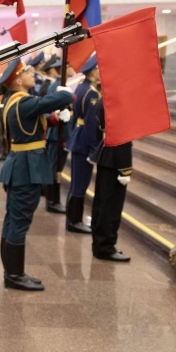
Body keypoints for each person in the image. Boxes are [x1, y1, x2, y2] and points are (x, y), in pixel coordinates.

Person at [0, 57, 74, 291]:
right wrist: (63, 90)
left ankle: (12, 272)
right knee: (19, 221)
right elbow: (65, 98)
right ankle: (14, 275)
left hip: (20, 164)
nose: (34, 75)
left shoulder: (13, 100)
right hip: (25, 168)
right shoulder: (24, 102)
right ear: (18, 80)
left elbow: (28, 127)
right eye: (29, 72)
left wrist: (52, 120)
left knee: (13, 219)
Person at [89, 97, 132, 262]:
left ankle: (99, 244)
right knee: (111, 207)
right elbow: (123, 135)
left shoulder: (104, 98)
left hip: (106, 152)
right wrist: (125, 168)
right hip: (115, 158)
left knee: (101, 203)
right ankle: (106, 246)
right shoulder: (118, 102)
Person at [66, 55, 101, 234]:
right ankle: (74, 221)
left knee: (76, 183)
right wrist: (93, 150)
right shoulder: (92, 93)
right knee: (80, 184)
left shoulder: (81, 87)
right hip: (83, 142)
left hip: (77, 138)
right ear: (93, 71)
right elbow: (91, 124)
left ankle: (72, 219)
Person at [41, 55, 70, 213]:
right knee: (54, 167)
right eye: (69, 66)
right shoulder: (58, 86)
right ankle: (52, 200)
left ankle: (53, 199)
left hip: (61, 132)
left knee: (56, 167)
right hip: (55, 133)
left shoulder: (60, 85)